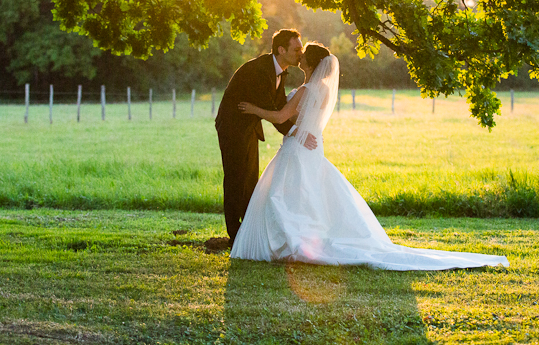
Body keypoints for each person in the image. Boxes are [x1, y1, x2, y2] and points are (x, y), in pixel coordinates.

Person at [231, 43, 509, 271]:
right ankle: (301, 238)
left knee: (287, 195)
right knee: (305, 195)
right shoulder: (324, 91)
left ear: (311, 64)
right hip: (311, 149)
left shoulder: (305, 90)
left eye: (303, 56)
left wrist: (253, 109)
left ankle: (289, 241)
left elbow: (280, 116)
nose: (299, 58)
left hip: (297, 150)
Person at [214, 29, 306, 246]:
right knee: (236, 178)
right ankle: (235, 235)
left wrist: (300, 126)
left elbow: (280, 107)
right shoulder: (259, 70)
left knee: (250, 179)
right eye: (297, 49)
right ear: (281, 50)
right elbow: (273, 113)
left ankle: (248, 229)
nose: (300, 53)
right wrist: (296, 134)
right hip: (232, 128)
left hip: (249, 128)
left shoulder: (279, 71)